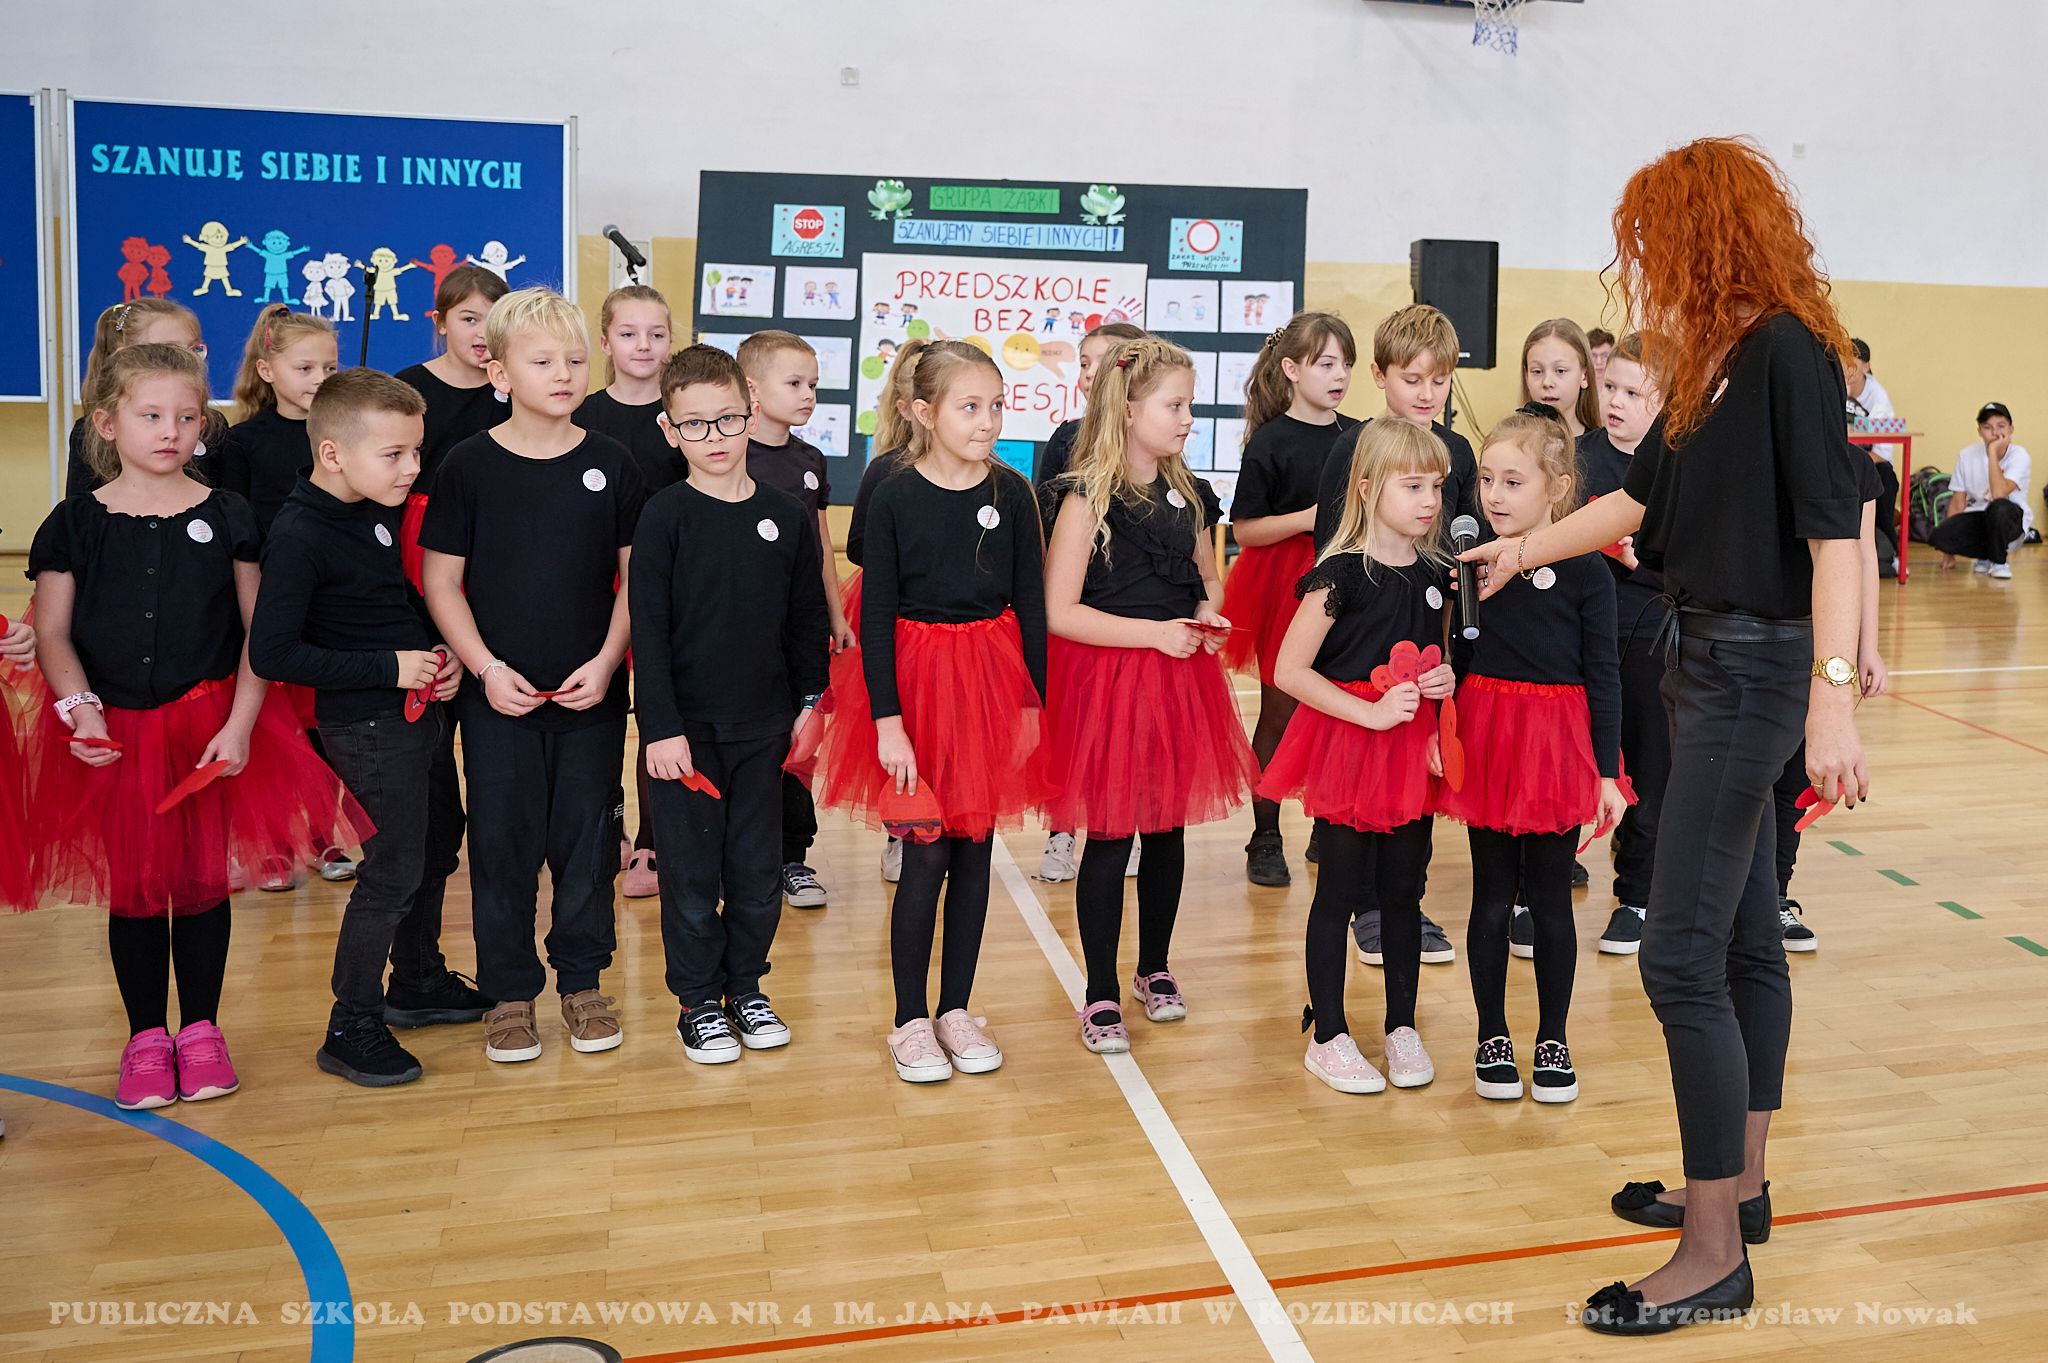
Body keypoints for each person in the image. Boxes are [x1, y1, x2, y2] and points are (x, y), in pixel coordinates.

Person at [1462, 137, 1870, 1335]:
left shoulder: (1787, 351)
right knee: (1738, 934)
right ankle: (1734, 1189)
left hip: (1751, 674)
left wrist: (1832, 698)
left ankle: (1708, 1258)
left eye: (1655, 239)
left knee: (1678, 957)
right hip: (1699, 666)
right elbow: (1635, 501)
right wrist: (1520, 548)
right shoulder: (1708, 363)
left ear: (1706, 233)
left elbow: (1832, 534)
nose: (1643, 262)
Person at [25, 343, 372, 1110]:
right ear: (108, 423)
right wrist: (81, 709)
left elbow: (258, 634)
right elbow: (52, 633)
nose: (170, 431)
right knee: (136, 889)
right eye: (151, 415)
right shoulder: (73, 523)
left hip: (211, 727)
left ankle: (203, 1029)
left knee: (201, 883)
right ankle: (146, 1036)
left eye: (187, 417)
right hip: (117, 733)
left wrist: (242, 724)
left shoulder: (229, 514)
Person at [811, 340, 1049, 1083]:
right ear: (923, 411)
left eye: (997, 406)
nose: (988, 421)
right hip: (914, 687)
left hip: (989, 680)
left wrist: (1031, 704)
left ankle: (956, 1008)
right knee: (926, 853)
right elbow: (877, 614)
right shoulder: (893, 493)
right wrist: (888, 721)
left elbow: (1032, 606)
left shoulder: (1014, 493)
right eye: (970, 407)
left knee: (976, 850)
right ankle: (910, 1018)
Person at [420, 288, 646, 1066]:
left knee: (587, 846)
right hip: (497, 701)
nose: (563, 374)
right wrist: (485, 668)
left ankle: (582, 982)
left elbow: (634, 580)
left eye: (575, 360)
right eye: (543, 361)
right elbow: (441, 581)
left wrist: (607, 660)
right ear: (500, 372)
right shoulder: (468, 465)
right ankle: (509, 991)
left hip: (591, 697)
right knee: (502, 846)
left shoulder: (611, 462)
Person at [249, 368, 484, 1087]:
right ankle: (351, 1020)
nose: (412, 468)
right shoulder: (299, 533)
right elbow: (273, 652)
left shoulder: (373, 510)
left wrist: (437, 653)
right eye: (395, 455)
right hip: (367, 724)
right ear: (333, 454)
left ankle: (416, 978)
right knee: (392, 871)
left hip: (414, 709)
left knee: (436, 844)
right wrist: (391, 667)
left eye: (416, 452)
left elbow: (394, 600)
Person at [1043, 338, 1260, 1053]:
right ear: (1129, 410)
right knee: (1110, 838)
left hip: (1177, 680)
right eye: (1175, 405)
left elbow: (1210, 583)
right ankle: (1100, 990)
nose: (1188, 418)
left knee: (1167, 832)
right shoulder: (1085, 499)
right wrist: (1152, 635)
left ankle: (1154, 967)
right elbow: (1059, 611)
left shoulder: (1189, 497)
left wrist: (1204, 614)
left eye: (1189, 405)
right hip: (1109, 683)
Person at [630, 345, 830, 1064]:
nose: (714, 437)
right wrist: (660, 727)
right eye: (695, 425)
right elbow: (648, 630)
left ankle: (745, 987)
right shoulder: (664, 516)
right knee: (690, 880)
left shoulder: (785, 514)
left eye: (726, 420)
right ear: (669, 430)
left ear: (749, 412)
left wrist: (811, 700)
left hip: (765, 729)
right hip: (684, 736)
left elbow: (806, 616)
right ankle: (697, 1002)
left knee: (755, 874)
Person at [1440, 405, 1630, 1104]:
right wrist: (1441, 733)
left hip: (1557, 743)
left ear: (1558, 487)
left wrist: (1605, 772)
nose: (1493, 495)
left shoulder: (1587, 573)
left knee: (1551, 897)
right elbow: (1456, 661)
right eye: (1487, 479)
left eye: (1513, 482)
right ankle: (1492, 1032)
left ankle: (1553, 1036)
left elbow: (1604, 675)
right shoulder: (1470, 565)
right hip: (1489, 735)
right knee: (1491, 892)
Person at [1263, 419, 1456, 1095]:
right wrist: (1369, 712)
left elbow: (1434, 655)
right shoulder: (1339, 575)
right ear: (1370, 490)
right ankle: (1329, 1034)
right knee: (1340, 889)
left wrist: (1442, 681)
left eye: (1436, 487)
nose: (1429, 501)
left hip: (1407, 751)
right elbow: (1289, 670)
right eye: (1413, 486)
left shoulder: (1436, 574)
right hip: (1351, 744)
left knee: (1404, 890)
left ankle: (1401, 1025)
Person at [1313, 304, 1474, 967]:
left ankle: (1403, 901)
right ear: (1381, 377)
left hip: (1423, 639)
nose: (1426, 393)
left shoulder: (1457, 452)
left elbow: (1460, 544)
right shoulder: (1354, 447)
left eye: (1439, 380)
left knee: (1413, 790)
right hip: (1360, 652)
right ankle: (1364, 906)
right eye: (1413, 380)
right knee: (1356, 794)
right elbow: (1332, 545)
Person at [1222, 311, 1358, 887]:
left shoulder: (1359, 435)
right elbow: (1246, 530)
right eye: (1326, 364)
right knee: (1281, 710)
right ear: (1292, 369)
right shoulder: (1271, 441)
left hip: (1348, 578)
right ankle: (1265, 833)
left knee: (1338, 705)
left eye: (1346, 364)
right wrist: (1308, 517)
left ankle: (1328, 825)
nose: (1340, 375)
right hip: (1284, 583)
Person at [1030, 320, 1149, 883]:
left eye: (1106, 362)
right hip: (1077, 611)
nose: (1091, 373)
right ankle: (1062, 831)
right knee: (1072, 732)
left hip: (1131, 616)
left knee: (1126, 736)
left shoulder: (1154, 451)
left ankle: (1120, 825)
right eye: (1084, 363)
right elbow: (1045, 518)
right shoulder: (1067, 439)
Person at [737, 331, 849, 910]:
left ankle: (792, 857)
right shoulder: (730, 454)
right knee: (748, 744)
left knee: (799, 744)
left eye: (814, 385)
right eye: (795, 383)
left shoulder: (809, 461)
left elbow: (822, 545)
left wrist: (835, 613)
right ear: (752, 389)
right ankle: (742, 859)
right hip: (744, 632)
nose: (809, 395)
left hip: (800, 630)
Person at [573, 284, 678, 900]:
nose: (644, 345)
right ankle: (606, 824)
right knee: (602, 705)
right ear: (606, 341)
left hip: (670, 582)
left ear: (671, 341)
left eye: (656, 334)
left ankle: (653, 840)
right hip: (597, 584)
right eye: (629, 333)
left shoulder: (683, 416)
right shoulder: (582, 414)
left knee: (659, 707)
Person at [1577, 333, 1669, 955]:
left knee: (1649, 765)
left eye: (1634, 394)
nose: (1616, 401)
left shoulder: (1680, 465)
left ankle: (1637, 894)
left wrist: (1647, 559)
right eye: (1610, 386)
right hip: (1577, 638)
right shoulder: (1577, 458)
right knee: (1571, 759)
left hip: (1648, 638)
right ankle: (1540, 883)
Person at [394, 264, 512, 591]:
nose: (483, 333)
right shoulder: (409, 386)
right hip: (426, 526)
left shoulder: (518, 386)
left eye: (494, 320)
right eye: (469, 319)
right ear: (441, 322)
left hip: (500, 523)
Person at [67, 299, 216, 497]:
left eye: (194, 349)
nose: (185, 360)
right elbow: (82, 508)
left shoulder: (214, 426)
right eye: (167, 350)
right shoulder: (87, 433)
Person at [217, 305, 339, 538]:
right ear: (266, 370)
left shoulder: (347, 433)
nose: (321, 379)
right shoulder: (242, 440)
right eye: (305, 368)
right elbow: (236, 522)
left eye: (330, 368)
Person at [1929, 402, 2030, 578]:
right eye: (1987, 427)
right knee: (1940, 535)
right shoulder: (1966, 456)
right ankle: (1985, 557)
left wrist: (1992, 453)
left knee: (1998, 508)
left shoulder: (2019, 455)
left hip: (2011, 521)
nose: (1995, 433)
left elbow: (1999, 494)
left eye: (2001, 426)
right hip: (1980, 517)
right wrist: (1948, 551)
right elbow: (1958, 502)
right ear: (1979, 432)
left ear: (2011, 429)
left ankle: (1999, 562)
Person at [1521, 319, 1601, 441]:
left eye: (1560, 371)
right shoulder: (1511, 445)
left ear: (1584, 376)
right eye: (1537, 371)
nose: (1547, 382)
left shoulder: (1600, 446)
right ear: (1526, 376)